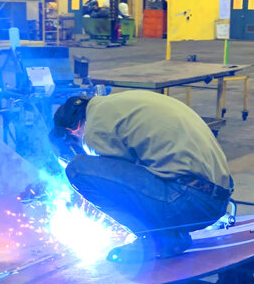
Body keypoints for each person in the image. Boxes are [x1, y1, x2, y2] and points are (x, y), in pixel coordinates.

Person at [51, 91, 232, 257]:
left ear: (72, 130)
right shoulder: (119, 105)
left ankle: (154, 241)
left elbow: (116, 186)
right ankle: (170, 236)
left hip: (191, 203)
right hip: (218, 199)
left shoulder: (94, 128)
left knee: (77, 169)